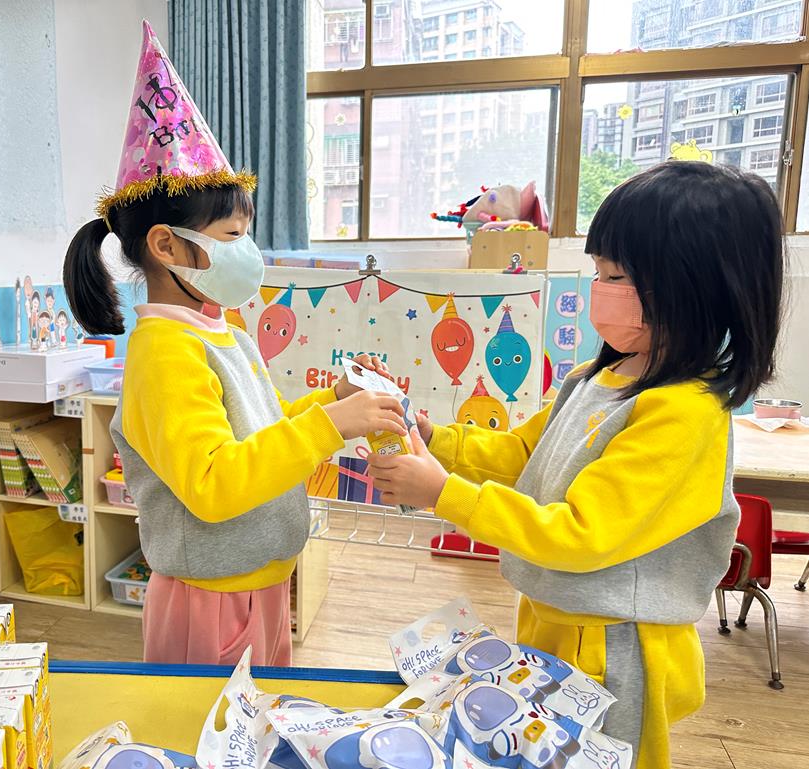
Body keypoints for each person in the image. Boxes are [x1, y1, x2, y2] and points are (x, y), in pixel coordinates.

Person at [367, 161, 784, 769]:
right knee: (543, 750)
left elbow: (582, 534)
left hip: (615, 643)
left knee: (604, 756)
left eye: (615, 276)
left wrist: (443, 493)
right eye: (598, 273)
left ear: (690, 287)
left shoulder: (683, 412)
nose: (599, 289)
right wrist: (434, 436)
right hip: (557, 614)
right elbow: (522, 456)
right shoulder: (597, 377)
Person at [63, 21, 404, 667]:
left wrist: (332, 400)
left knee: (257, 715)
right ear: (167, 245)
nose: (247, 251)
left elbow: (262, 432)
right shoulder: (166, 352)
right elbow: (215, 481)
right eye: (231, 235)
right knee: (207, 724)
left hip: (258, 585)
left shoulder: (222, 332)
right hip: (210, 599)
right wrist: (333, 425)